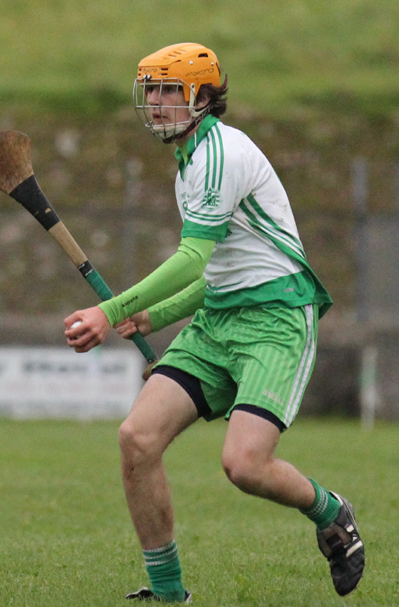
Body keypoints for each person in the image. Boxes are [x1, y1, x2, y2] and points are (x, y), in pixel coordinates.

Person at [64, 42, 365, 603]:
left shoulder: (220, 155)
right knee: (137, 439)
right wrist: (158, 313)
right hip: (217, 321)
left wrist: (112, 311)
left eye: (168, 91)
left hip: (276, 319)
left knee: (244, 464)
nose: (154, 103)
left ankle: (331, 512)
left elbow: (191, 260)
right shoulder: (189, 163)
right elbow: (216, 275)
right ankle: (168, 591)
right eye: (150, 90)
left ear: (201, 98)